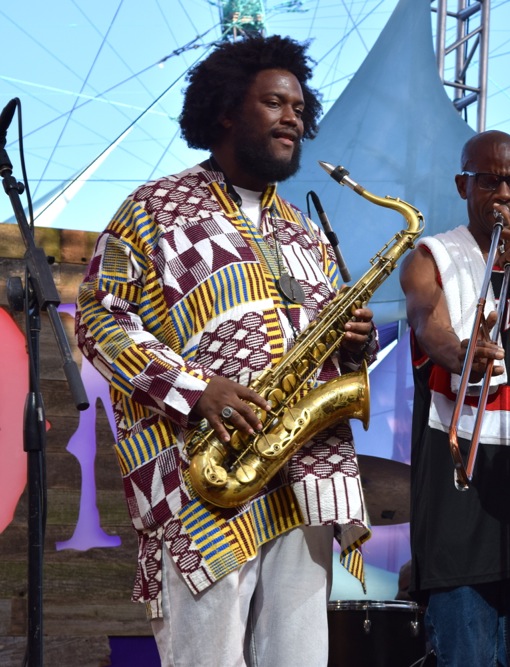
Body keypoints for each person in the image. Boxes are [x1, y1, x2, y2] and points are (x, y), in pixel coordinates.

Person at [75, 35, 378, 666]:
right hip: (204, 478)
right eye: (274, 103)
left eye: (299, 108)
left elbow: (329, 348)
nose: (293, 118)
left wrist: (353, 345)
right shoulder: (153, 209)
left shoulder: (306, 232)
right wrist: (196, 391)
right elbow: (101, 319)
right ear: (226, 112)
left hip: (302, 481)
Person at [400, 130, 510, 665]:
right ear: (464, 185)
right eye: (489, 181)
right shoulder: (431, 256)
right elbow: (426, 325)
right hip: (458, 488)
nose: (505, 193)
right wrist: (459, 353)